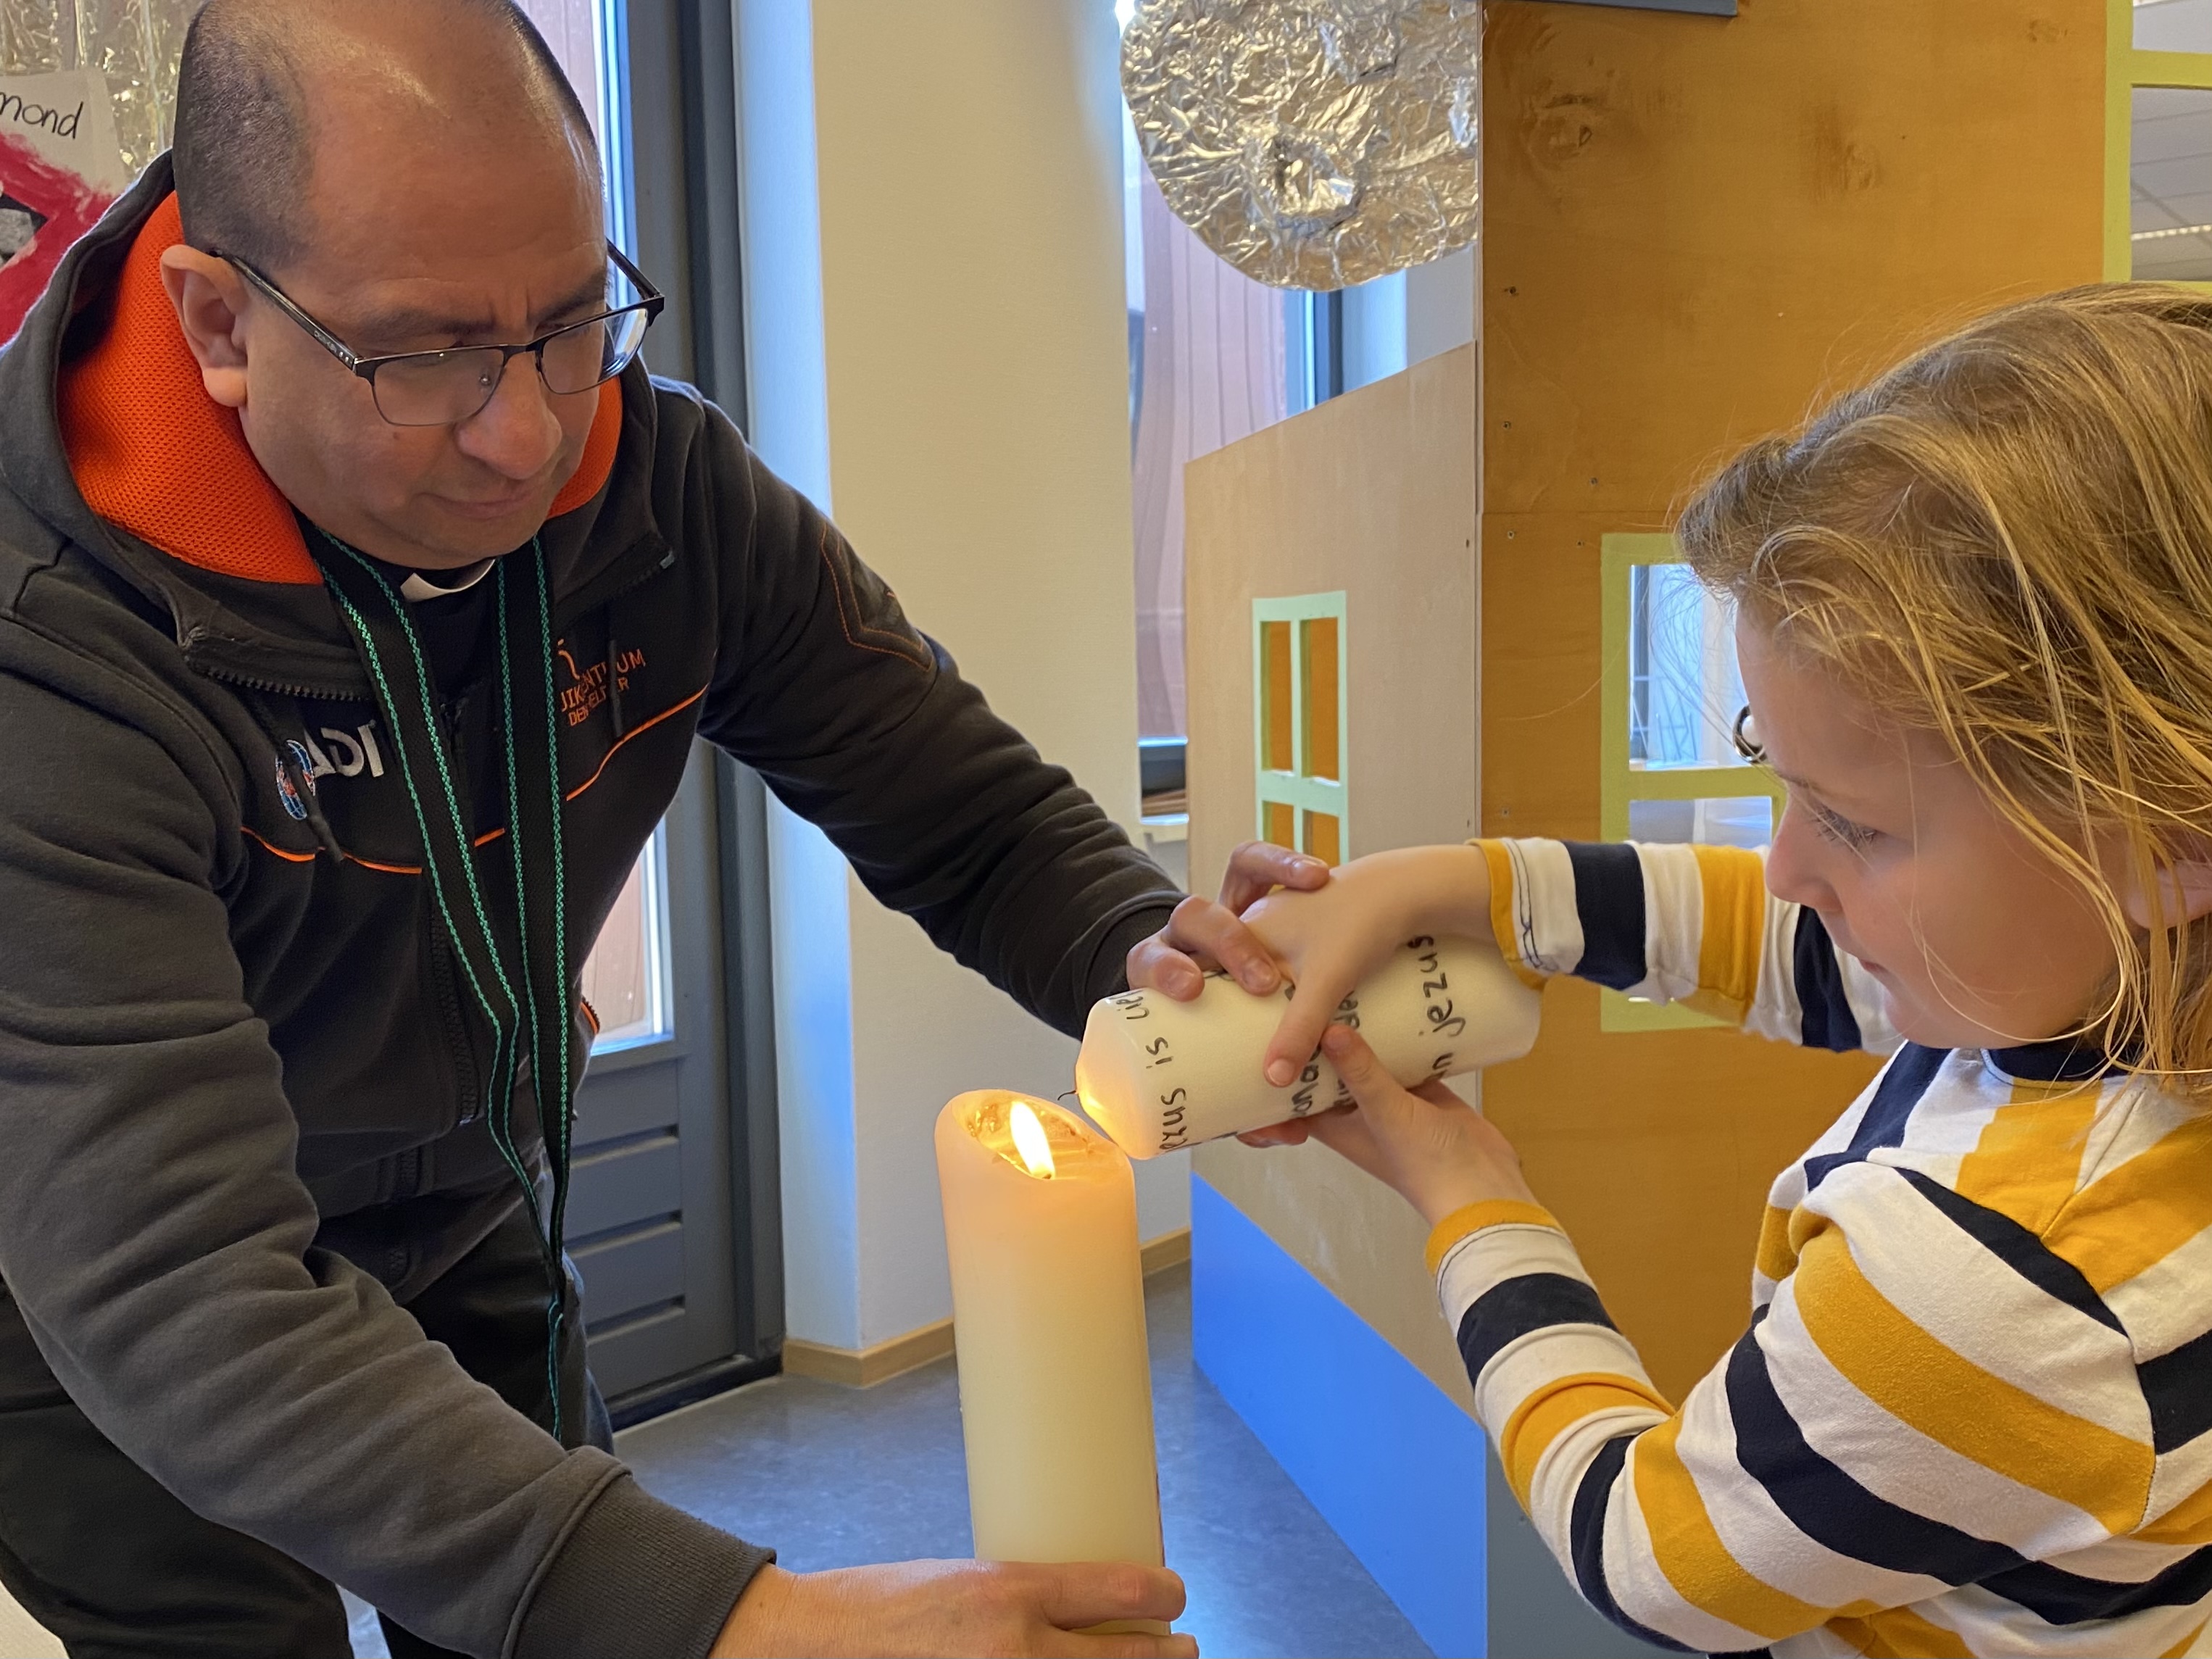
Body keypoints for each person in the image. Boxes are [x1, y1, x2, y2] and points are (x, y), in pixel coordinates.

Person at [0, 1, 1313, 1654]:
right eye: (427, 358)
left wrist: (1156, 956)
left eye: (569, 321)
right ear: (217, 321)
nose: (529, 431)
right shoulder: (48, 645)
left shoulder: (658, 491)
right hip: (91, 1288)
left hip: (463, 1184)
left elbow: (960, 809)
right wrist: (751, 1622)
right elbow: (176, 1285)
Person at [1231, 284, 2212, 1655]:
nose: (1791, 865)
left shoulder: (1991, 1285)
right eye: (1781, 779)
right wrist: (1455, 884)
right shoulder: (2102, 989)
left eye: (1859, 821)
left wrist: (1466, 1189)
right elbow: (1805, 953)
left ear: (2166, 837)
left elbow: (1637, 1550)